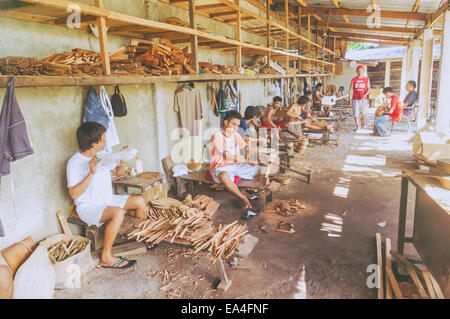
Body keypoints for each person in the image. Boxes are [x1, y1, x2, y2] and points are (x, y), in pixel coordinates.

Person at [67, 122, 148, 269]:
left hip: (107, 200)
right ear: (93, 143)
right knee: (117, 213)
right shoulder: (75, 162)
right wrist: (91, 173)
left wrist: (123, 160)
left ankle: (139, 237)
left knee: (140, 201)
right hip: (89, 207)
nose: (106, 141)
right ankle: (106, 257)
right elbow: (73, 193)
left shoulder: (102, 155)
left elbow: (118, 173)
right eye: (103, 138)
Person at [209, 111, 261, 209]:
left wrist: (258, 154)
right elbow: (227, 155)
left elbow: (246, 147)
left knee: (258, 166)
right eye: (233, 124)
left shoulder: (236, 135)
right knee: (224, 175)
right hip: (220, 168)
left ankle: (240, 188)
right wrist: (247, 161)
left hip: (235, 166)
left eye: (237, 125)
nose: (235, 128)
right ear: (226, 122)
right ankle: (242, 197)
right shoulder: (217, 136)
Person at [349, 65, 371, 131]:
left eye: (361, 70)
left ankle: (362, 119)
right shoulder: (353, 80)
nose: (360, 71)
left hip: (364, 99)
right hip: (355, 99)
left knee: (364, 113)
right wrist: (349, 100)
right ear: (356, 71)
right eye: (358, 70)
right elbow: (350, 90)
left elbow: (369, 89)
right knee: (356, 113)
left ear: (363, 71)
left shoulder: (366, 79)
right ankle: (357, 126)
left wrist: (365, 95)